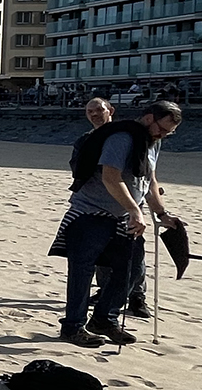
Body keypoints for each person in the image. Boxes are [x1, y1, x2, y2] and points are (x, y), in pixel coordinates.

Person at [52, 101, 184, 347]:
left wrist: (162, 214)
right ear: (148, 119)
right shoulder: (122, 138)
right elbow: (110, 178)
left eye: (169, 132)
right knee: (82, 271)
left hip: (122, 217)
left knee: (131, 270)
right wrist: (135, 211)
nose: (163, 134)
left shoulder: (152, 142)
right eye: (162, 129)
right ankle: (72, 328)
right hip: (89, 213)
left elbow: (149, 181)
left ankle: (103, 319)